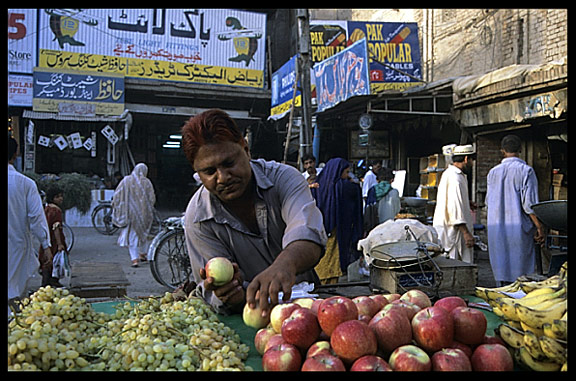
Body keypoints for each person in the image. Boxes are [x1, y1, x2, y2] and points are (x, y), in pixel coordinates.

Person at [181, 109, 327, 315]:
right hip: (251, 314)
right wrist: (231, 293)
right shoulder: (197, 219)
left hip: (308, 307)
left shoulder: (284, 179)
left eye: (229, 163)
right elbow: (212, 290)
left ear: (246, 150)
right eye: (209, 171)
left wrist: (284, 265)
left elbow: (308, 235)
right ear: (198, 174)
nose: (222, 177)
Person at [486, 134, 545, 286]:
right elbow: (530, 205)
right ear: (520, 149)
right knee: (521, 276)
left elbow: (488, 203)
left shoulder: (493, 172)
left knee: (501, 269)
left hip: (496, 229)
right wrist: (539, 227)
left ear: (502, 150)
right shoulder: (526, 171)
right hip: (518, 230)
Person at [8, 136, 52, 313]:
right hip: (17, 248)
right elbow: (36, 218)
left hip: (18, 246)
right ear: (16, 154)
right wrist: (46, 245)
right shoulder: (25, 184)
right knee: (14, 293)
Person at [311, 158, 363, 284]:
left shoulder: (317, 185)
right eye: (345, 172)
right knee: (333, 259)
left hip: (318, 230)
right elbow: (355, 196)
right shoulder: (344, 187)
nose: (346, 176)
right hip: (335, 231)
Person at [433, 144, 476, 263]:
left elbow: (454, 200)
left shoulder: (452, 174)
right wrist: (466, 233)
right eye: (471, 160)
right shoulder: (455, 178)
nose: (472, 164)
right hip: (453, 231)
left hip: (450, 229)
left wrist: (467, 203)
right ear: (466, 159)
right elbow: (455, 208)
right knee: (456, 265)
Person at [112, 163, 156, 267]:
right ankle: (142, 254)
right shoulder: (147, 182)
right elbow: (152, 198)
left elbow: (117, 195)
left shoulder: (126, 180)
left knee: (132, 236)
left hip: (130, 214)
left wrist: (119, 206)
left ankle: (135, 259)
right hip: (144, 215)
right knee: (143, 234)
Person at [39, 184, 67, 287]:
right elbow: (56, 228)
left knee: (46, 260)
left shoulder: (47, 208)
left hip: (46, 239)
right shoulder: (56, 211)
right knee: (55, 261)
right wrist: (60, 244)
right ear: (52, 198)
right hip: (54, 240)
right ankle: (50, 282)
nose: (60, 199)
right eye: (57, 197)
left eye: (61, 196)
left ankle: (46, 283)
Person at [364, 167, 401, 233]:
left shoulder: (372, 191)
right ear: (392, 180)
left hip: (374, 227)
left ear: (377, 180)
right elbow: (397, 210)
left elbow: (367, 210)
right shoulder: (394, 192)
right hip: (390, 227)